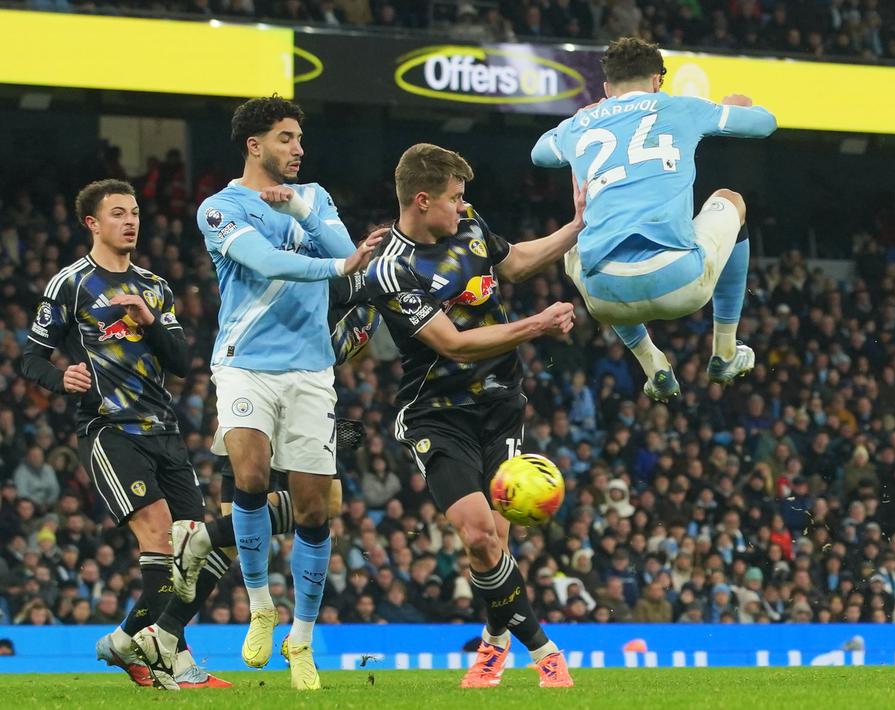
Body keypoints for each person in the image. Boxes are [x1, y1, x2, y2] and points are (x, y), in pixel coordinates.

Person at [365, 143, 580, 688]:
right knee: (479, 534)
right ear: (422, 200)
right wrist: (537, 325)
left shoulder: (471, 224)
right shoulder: (390, 268)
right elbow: (454, 344)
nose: (463, 206)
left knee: (494, 546)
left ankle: (493, 643)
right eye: (454, 198)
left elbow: (518, 263)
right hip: (437, 415)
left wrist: (576, 226)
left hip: (500, 405)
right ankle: (545, 652)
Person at [196, 95, 380, 690]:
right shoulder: (221, 208)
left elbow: (344, 250)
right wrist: (339, 267)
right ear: (255, 145)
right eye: (285, 137)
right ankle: (259, 605)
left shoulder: (315, 197)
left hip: (310, 371)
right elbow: (268, 261)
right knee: (249, 475)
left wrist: (303, 209)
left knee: (313, 509)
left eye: (299, 138)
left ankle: (300, 638)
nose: (298, 148)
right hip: (244, 363)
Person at [20, 179, 228, 690]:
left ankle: (134, 644)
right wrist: (60, 378)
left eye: (134, 212)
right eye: (118, 213)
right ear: (92, 223)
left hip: (165, 429)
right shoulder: (71, 284)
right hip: (109, 428)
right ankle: (168, 659)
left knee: (192, 549)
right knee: (158, 536)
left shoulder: (155, 287)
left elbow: (180, 362)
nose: (130, 220)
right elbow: (30, 358)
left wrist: (149, 320)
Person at [530, 37, 777, 401]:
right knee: (731, 199)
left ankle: (653, 364)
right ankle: (725, 350)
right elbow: (765, 123)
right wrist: (732, 108)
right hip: (680, 282)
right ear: (657, 80)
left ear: (606, 88)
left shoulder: (579, 125)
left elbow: (539, 153)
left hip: (606, 296)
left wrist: (582, 117)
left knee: (573, 244)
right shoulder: (681, 107)